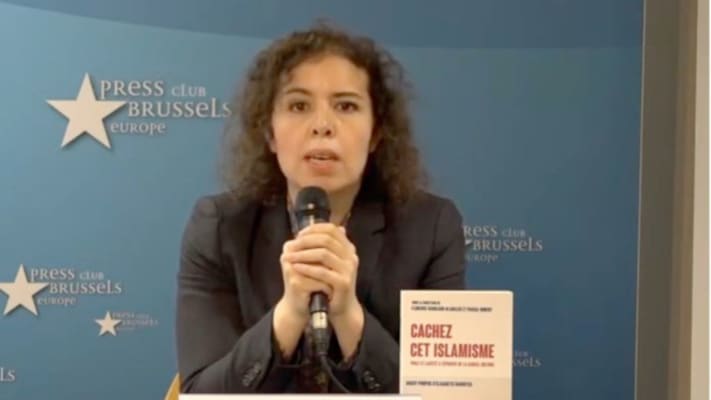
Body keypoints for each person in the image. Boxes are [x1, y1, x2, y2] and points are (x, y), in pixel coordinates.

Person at [175, 22, 466, 394]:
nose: (323, 125)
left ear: (376, 132)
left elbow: (443, 392)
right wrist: (289, 313)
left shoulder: (431, 227)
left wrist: (348, 315)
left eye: (346, 106)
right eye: (299, 105)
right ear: (270, 133)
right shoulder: (219, 227)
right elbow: (200, 393)